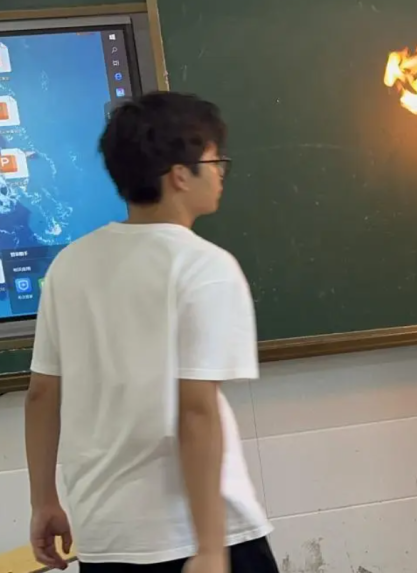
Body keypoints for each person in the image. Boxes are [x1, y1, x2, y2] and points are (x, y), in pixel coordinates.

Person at [23, 92, 276, 573]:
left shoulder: (69, 265)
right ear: (179, 175)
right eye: (214, 161)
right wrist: (210, 548)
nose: (221, 173)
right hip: (191, 533)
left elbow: (41, 394)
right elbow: (196, 411)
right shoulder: (204, 267)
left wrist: (43, 501)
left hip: (105, 535)